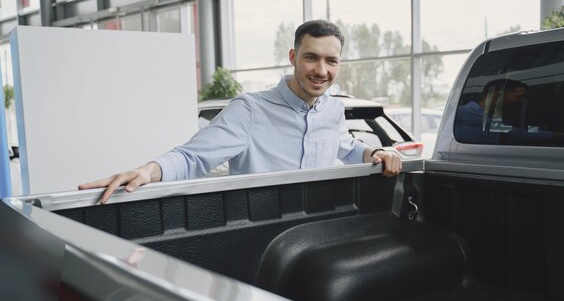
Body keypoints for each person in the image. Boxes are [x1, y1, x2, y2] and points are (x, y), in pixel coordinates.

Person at [79, 20, 402, 204]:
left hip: (317, 224)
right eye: (311, 58)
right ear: (293, 56)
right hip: (258, 228)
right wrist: (147, 171)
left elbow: (344, 145)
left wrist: (374, 152)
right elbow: (193, 157)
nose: (321, 70)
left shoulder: (332, 109)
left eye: (331, 61)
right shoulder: (249, 110)